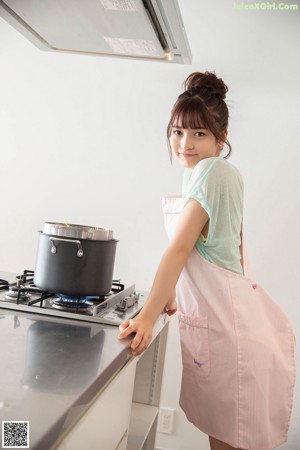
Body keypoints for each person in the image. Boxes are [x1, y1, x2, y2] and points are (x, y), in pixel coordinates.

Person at [118, 72, 295, 450]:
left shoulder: (213, 171)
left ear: (221, 139)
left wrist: (147, 315)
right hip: (223, 329)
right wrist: (171, 294)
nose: (185, 143)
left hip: (231, 339)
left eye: (199, 134)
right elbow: (210, 252)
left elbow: (180, 250)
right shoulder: (207, 174)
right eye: (178, 131)